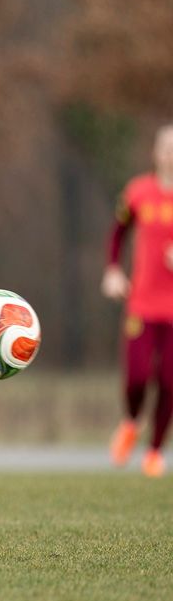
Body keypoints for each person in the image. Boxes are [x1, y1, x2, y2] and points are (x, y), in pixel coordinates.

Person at [102, 124, 173, 478]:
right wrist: (113, 270)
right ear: (156, 153)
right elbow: (118, 233)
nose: (171, 154)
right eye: (166, 148)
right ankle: (131, 422)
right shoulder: (138, 193)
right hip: (143, 304)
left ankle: (155, 451)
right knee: (138, 377)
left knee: (170, 381)